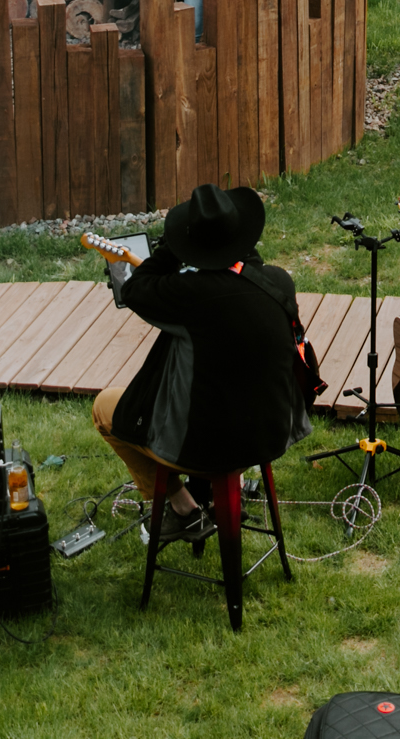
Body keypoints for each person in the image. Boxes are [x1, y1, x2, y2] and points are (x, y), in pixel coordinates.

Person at [92, 184, 310, 543]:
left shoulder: (187, 295)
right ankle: (225, 491)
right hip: (272, 432)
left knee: (104, 408)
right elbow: (244, 276)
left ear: (190, 243)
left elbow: (134, 289)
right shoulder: (280, 282)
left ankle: (183, 508)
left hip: (207, 449)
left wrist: (170, 248)